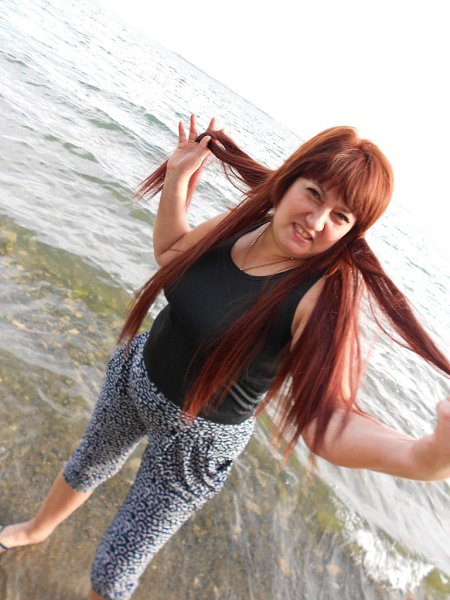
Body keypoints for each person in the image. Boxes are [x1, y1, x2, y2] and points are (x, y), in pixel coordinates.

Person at [1, 114, 449, 600]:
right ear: (288, 181)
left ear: (352, 232)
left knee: (119, 561)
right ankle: (36, 530)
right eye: (314, 194)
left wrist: (424, 457)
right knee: (87, 463)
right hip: (137, 374)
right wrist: (178, 177)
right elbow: (172, 255)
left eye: (341, 217)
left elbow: (329, 419)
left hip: (197, 442)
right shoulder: (246, 226)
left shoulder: (319, 299)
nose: (317, 221)